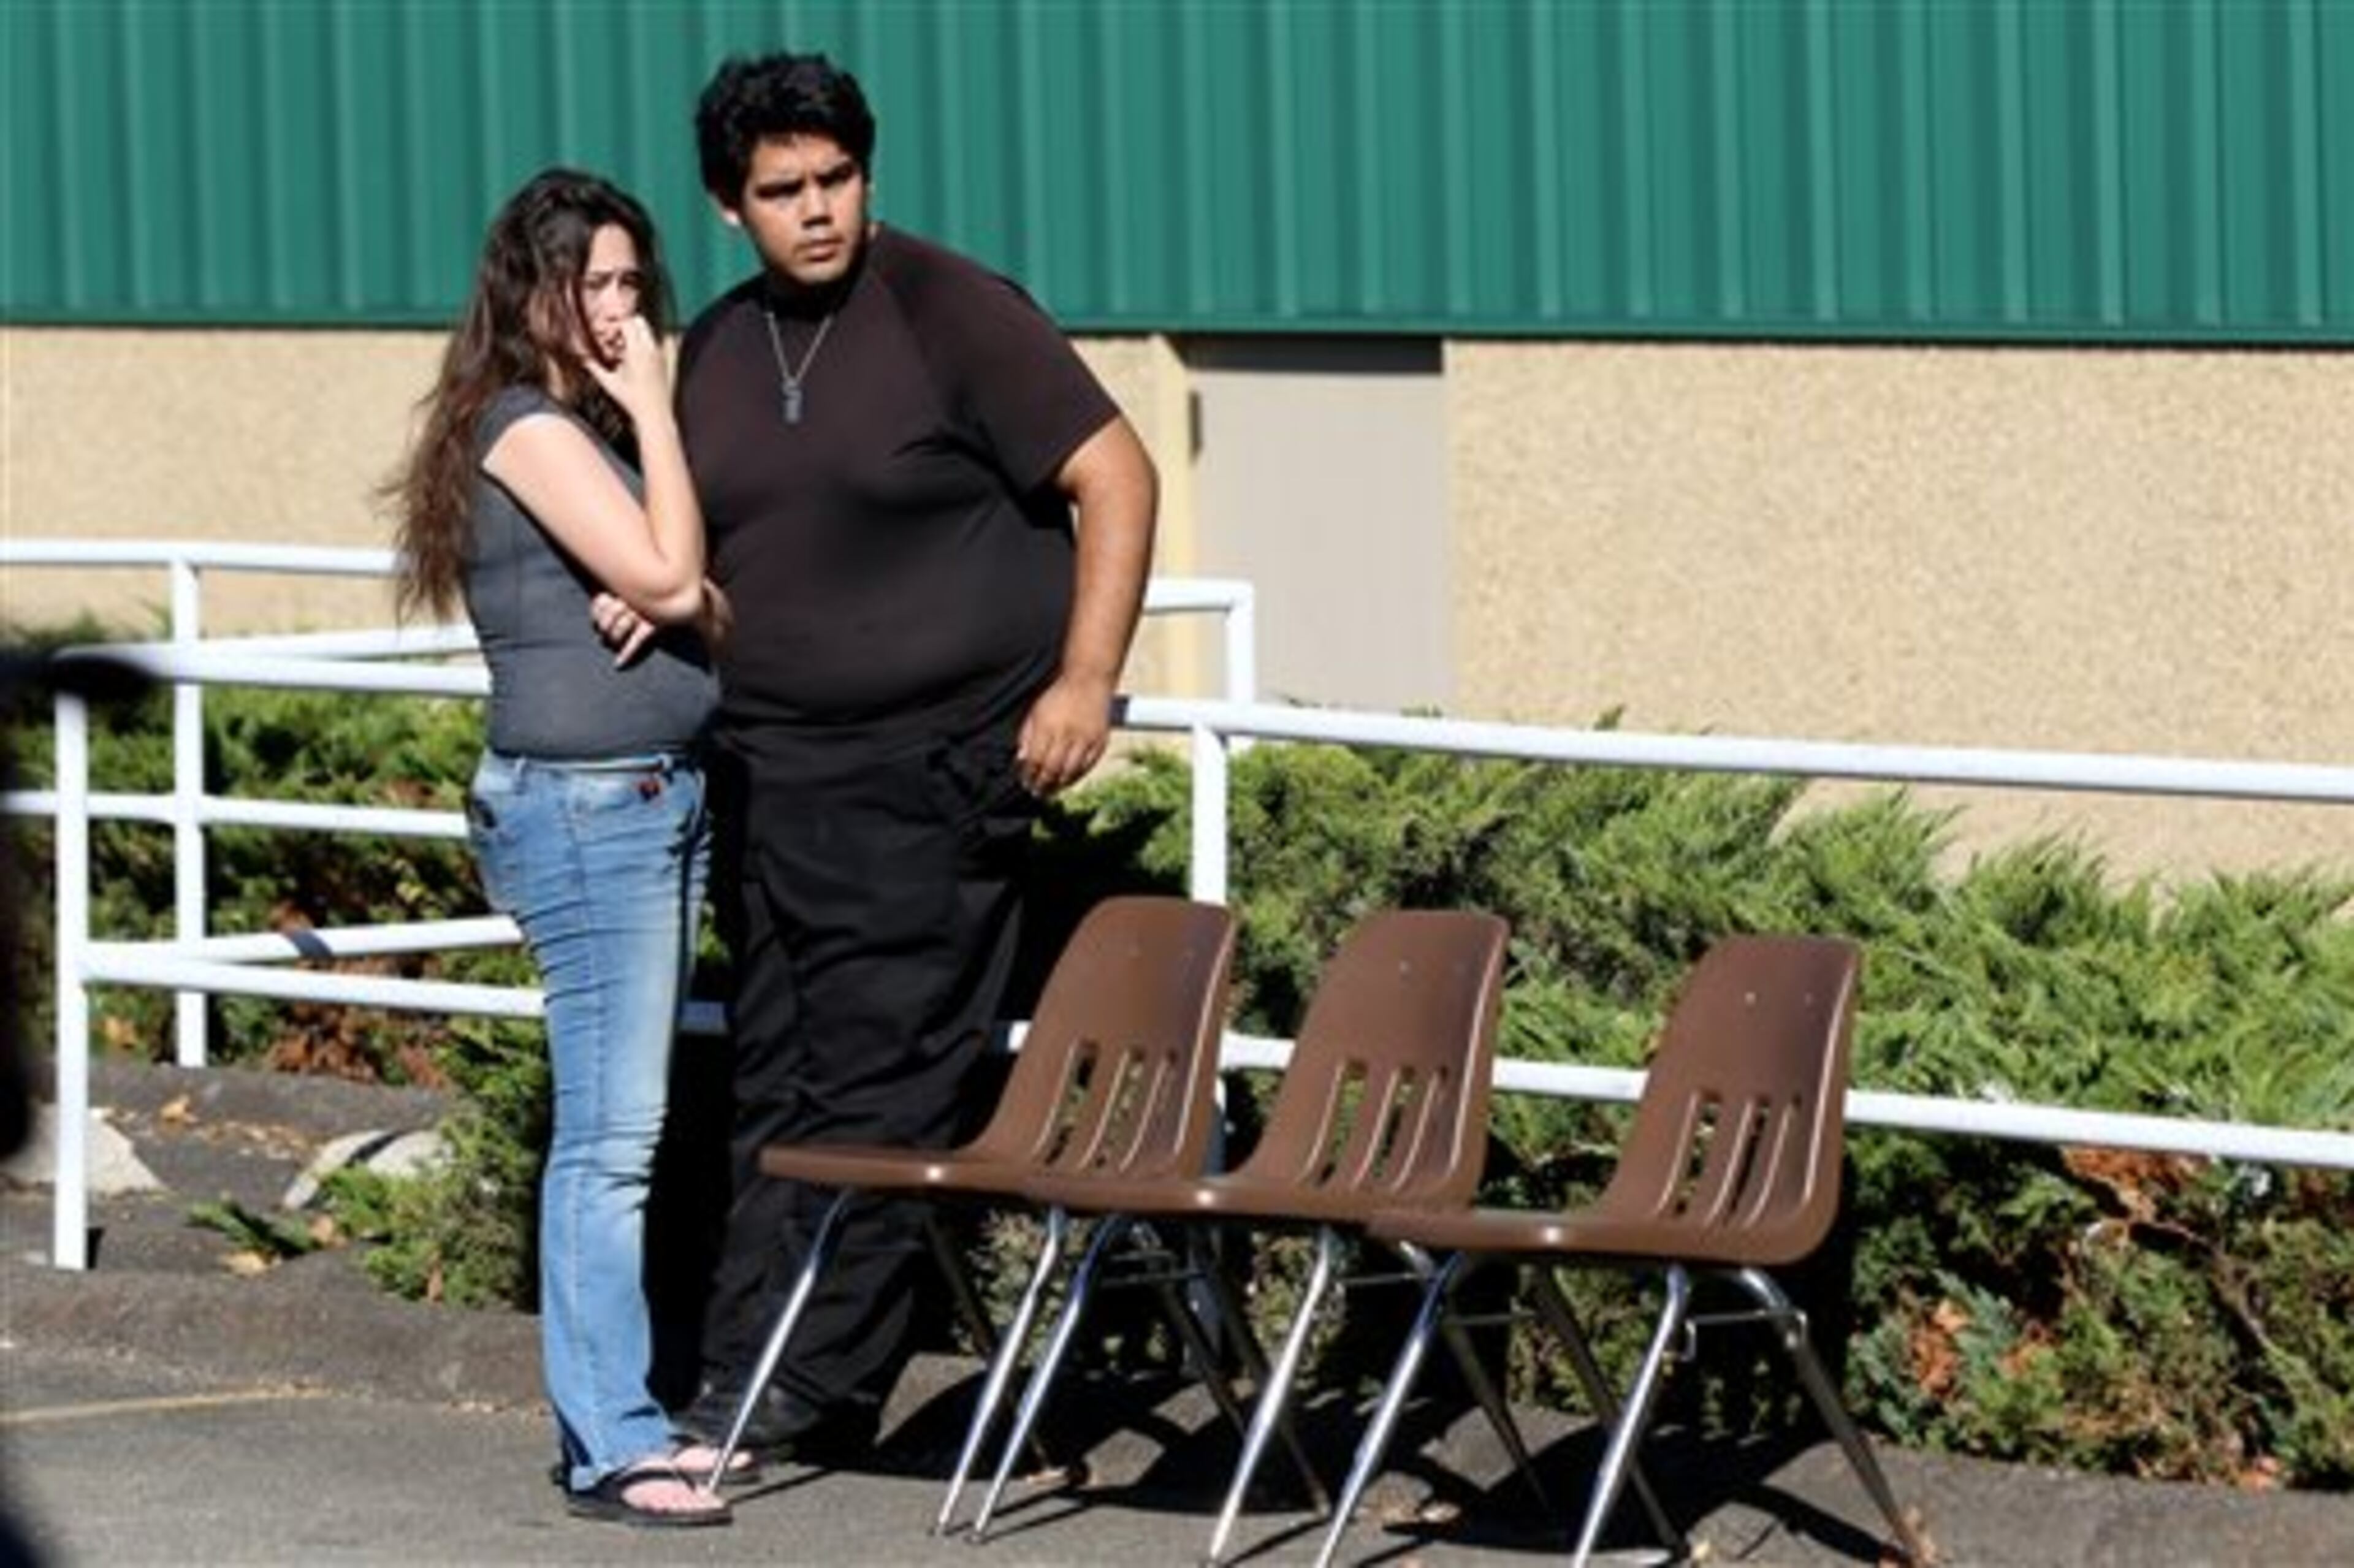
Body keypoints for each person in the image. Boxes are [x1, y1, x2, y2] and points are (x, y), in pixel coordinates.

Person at [651, 50, 1160, 1457]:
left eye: (837, 179)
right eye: (781, 191)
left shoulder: (953, 309)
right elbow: (711, 534)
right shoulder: (723, 343)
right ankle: (735, 1377)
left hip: (930, 776)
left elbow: (1116, 473)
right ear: (727, 205)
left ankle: (794, 1393)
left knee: (882, 1085)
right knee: (773, 1077)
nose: (816, 210)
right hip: (766, 774)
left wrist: (1089, 678)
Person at [386, 168, 739, 1528]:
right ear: (525, 290)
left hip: (649, 799)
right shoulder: (530, 425)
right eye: (585, 282)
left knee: (622, 1130)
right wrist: (659, 429)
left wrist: (681, 581)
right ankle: (612, 1437)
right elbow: (666, 581)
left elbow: (695, 592)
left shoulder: (577, 427)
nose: (616, 308)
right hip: (590, 810)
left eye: (629, 281)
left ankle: (625, 1413)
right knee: (611, 1140)